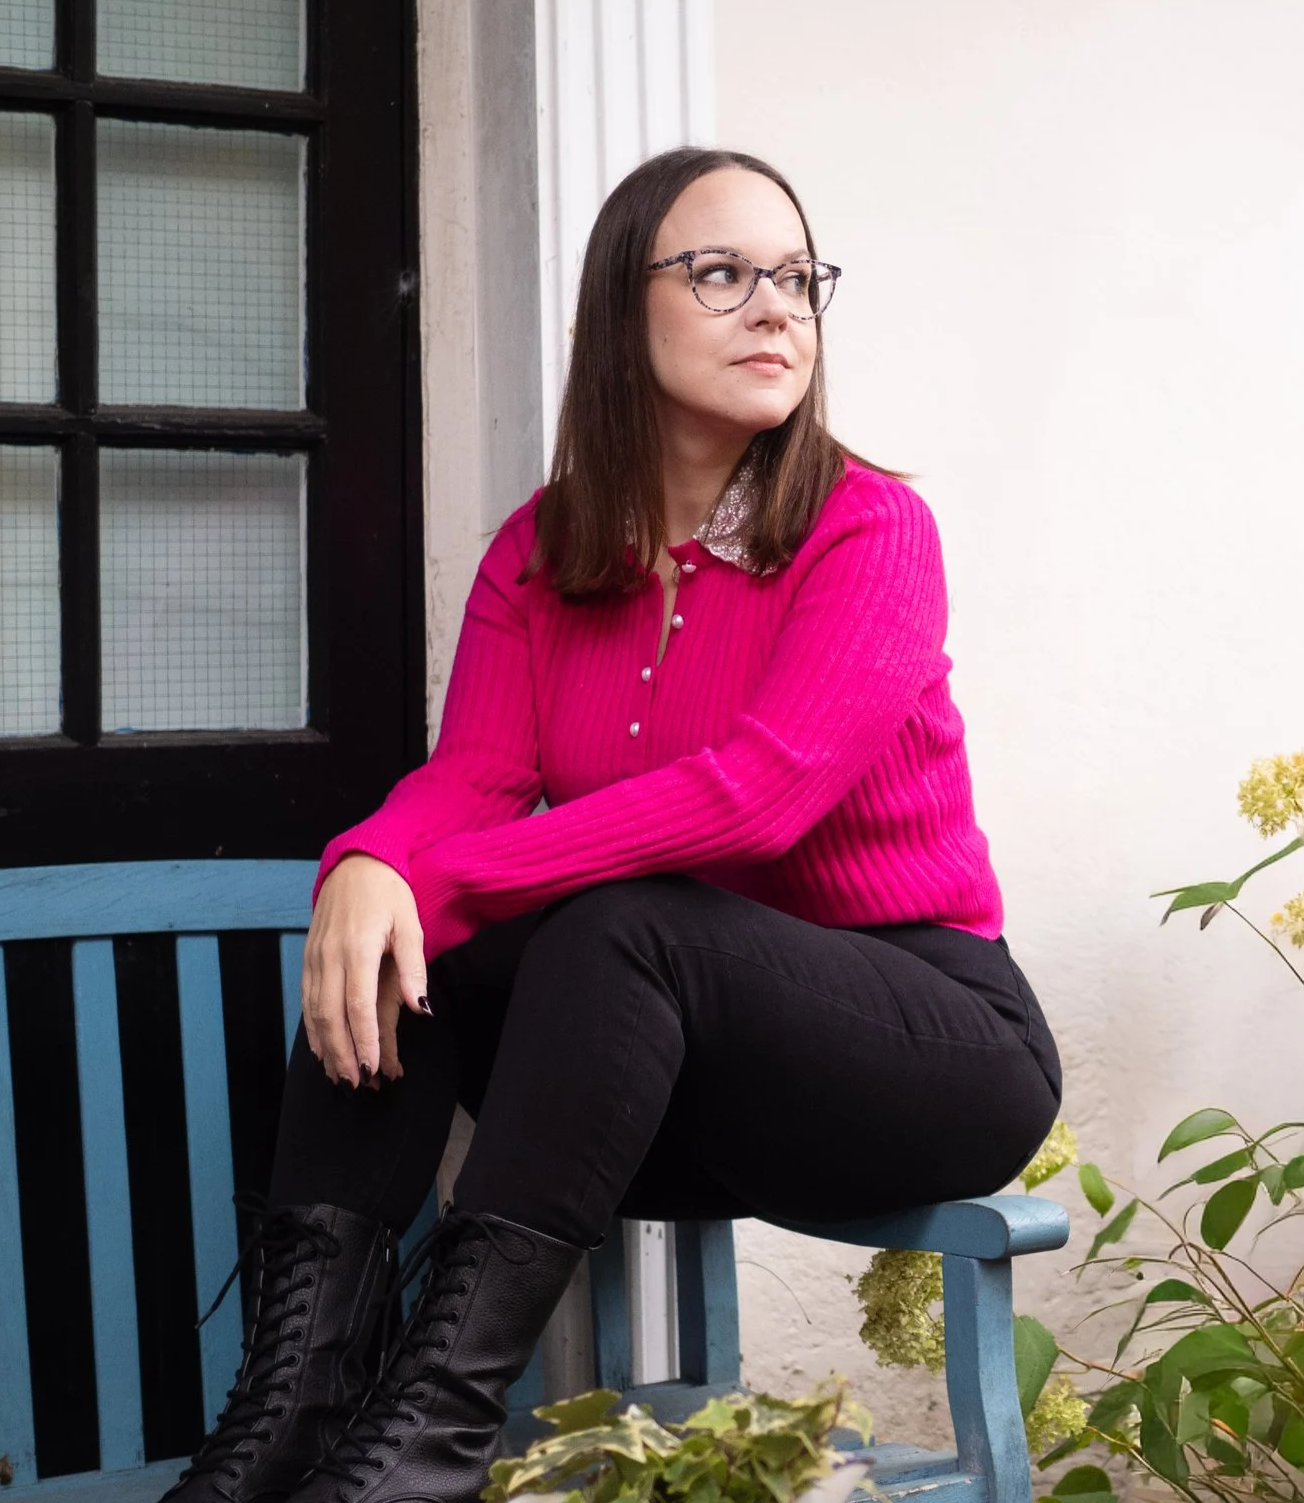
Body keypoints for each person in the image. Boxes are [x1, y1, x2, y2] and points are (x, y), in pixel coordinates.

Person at [162, 146, 1063, 1503]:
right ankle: (292, 1412)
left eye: (798, 278)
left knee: (612, 920)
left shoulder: (870, 533)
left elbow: (758, 802)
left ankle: (420, 1447)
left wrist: (430, 874)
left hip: (929, 1050)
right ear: (616, 312)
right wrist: (370, 865)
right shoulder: (538, 555)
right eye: (722, 274)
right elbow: (470, 779)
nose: (777, 310)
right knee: (421, 947)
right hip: (678, 1091)